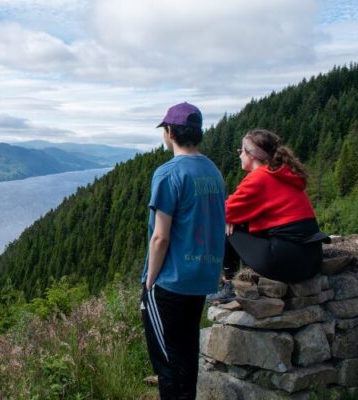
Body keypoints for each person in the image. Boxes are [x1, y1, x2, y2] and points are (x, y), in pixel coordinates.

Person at [140, 102, 225, 400]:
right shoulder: (212, 170)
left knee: (166, 361)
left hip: (170, 281)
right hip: (201, 277)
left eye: (164, 129)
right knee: (187, 354)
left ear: (170, 132)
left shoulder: (168, 173)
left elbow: (160, 237)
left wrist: (150, 281)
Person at [207, 128, 330, 302]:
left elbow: (219, 214)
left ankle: (230, 286)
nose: (239, 155)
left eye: (241, 151)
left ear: (251, 155)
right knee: (233, 221)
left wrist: (230, 219)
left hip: (287, 262)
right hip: (311, 260)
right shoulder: (285, 174)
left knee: (224, 226)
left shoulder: (258, 178)